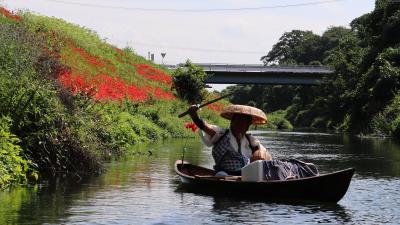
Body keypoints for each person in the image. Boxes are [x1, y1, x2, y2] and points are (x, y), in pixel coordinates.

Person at [188, 104, 272, 176]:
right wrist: (194, 115)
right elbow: (204, 126)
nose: (241, 124)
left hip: (244, 176)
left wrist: (261, 155)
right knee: (221, 175)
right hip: (223, 174)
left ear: (248, 125)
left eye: (244, 122)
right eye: (238, 121)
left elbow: (265, 155)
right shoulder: (221, 134)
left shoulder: (250, 140)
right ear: (232, 122)